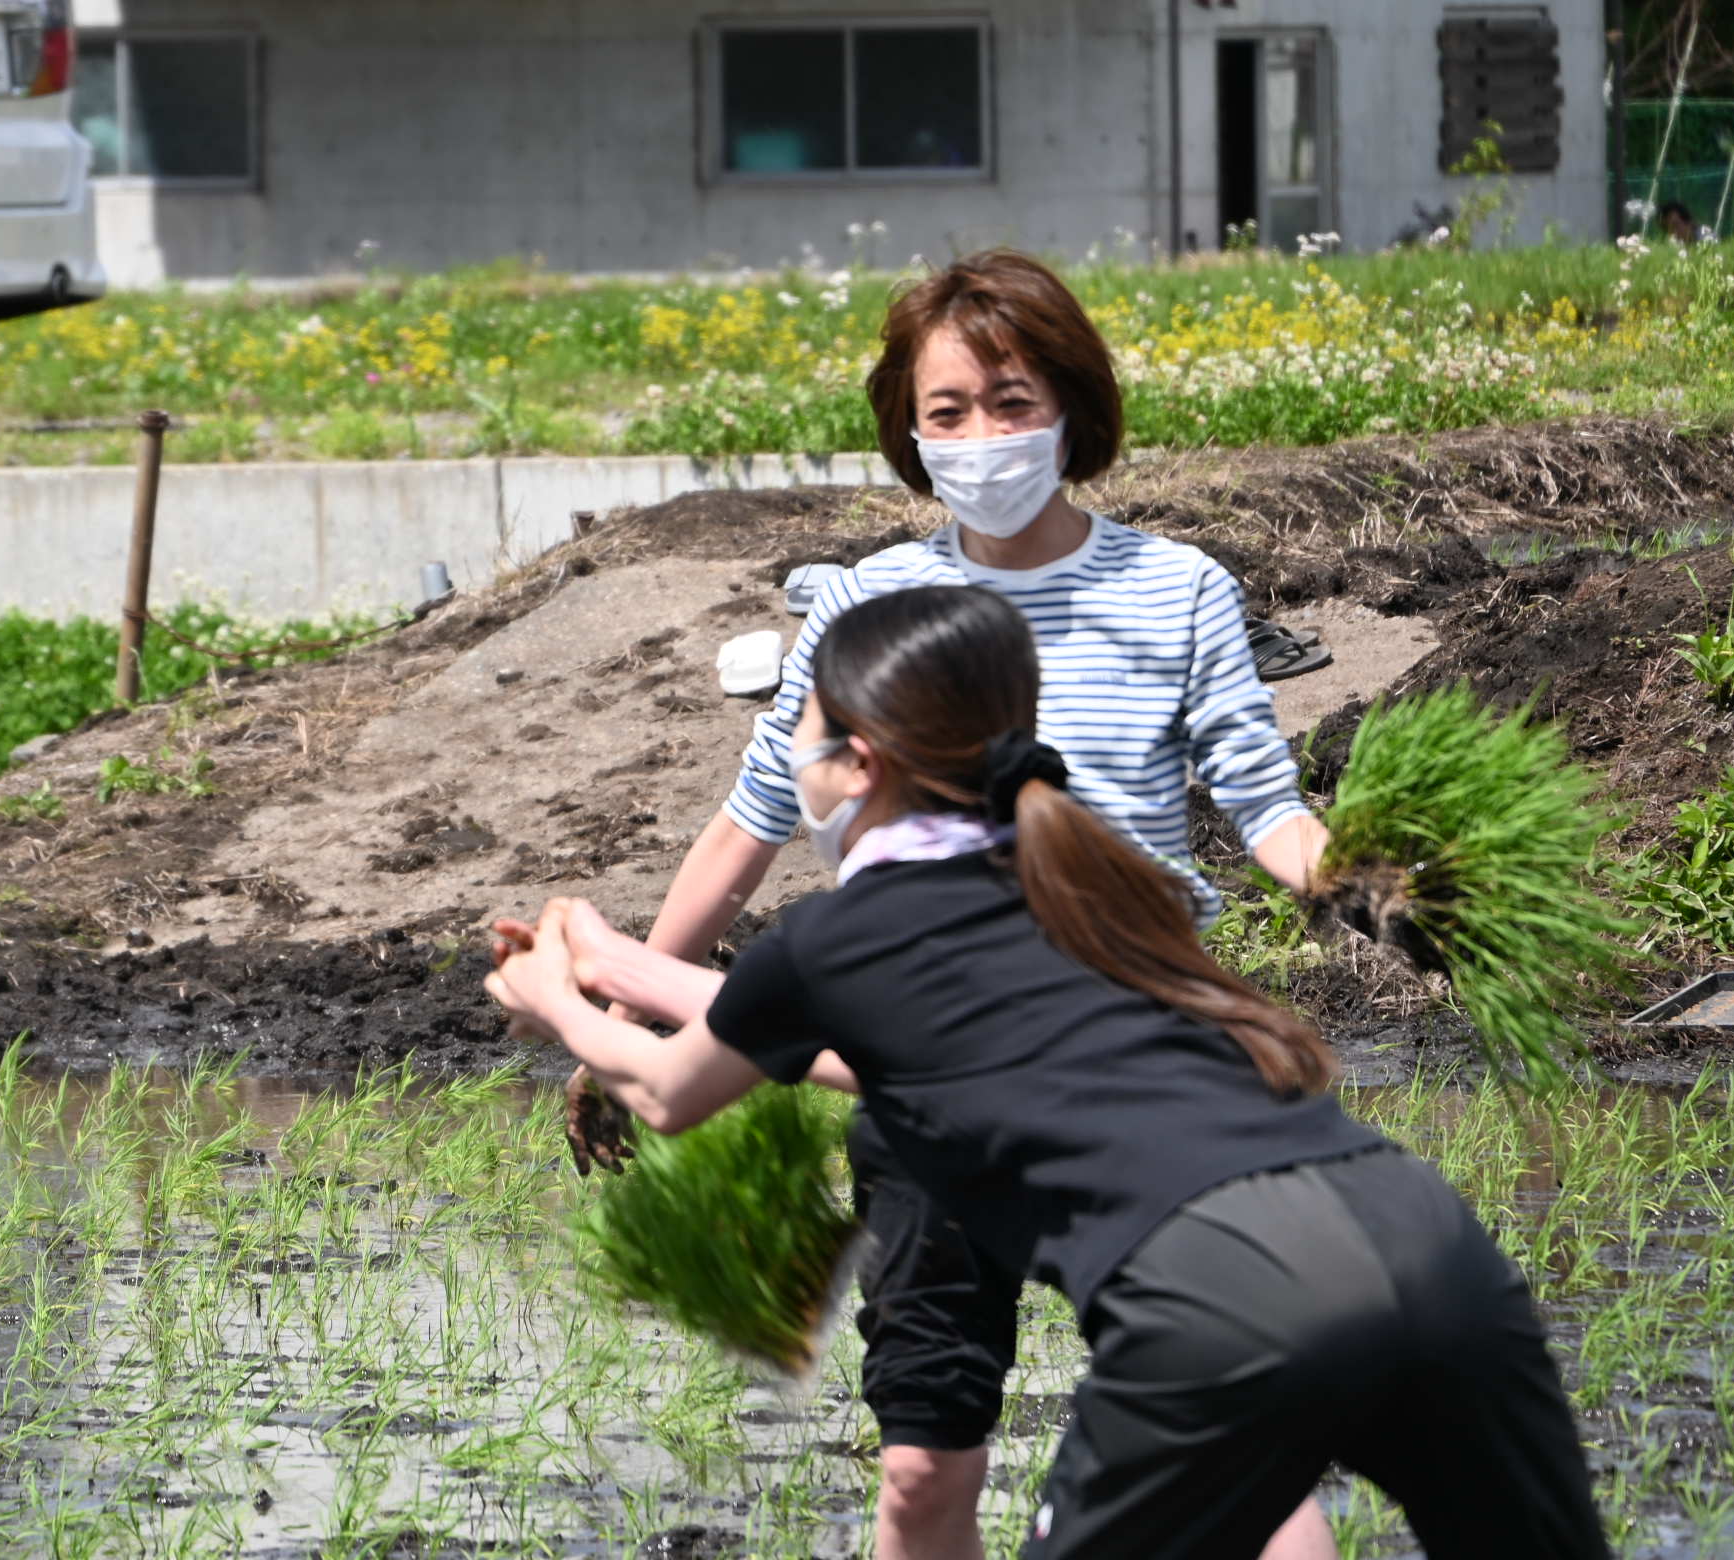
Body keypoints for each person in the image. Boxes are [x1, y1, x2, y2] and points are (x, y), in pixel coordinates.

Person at [493, 585, 1610, 1560]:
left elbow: (667, 1090)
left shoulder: (838, 936)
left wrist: (555, 1002)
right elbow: (876, 1041)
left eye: (804, 732)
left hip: (1224, 1291)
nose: (792, 757)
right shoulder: (1094, 880)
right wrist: (610, 957)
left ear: (859, 764)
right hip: (1429, 1239)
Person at [566, 248, 1340, 1560]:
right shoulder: (866, 605)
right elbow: (753, 820)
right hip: (927, 1078)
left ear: (1074, 409)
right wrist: (629, 1005)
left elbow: (1269, 811)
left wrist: (1374, 885)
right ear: (909, 432)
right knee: (924, 1471)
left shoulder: (1178, 591)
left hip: (1130, 1062)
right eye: (949, 411)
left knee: (1240, 1452)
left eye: (1014, 401)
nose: (983, 436)